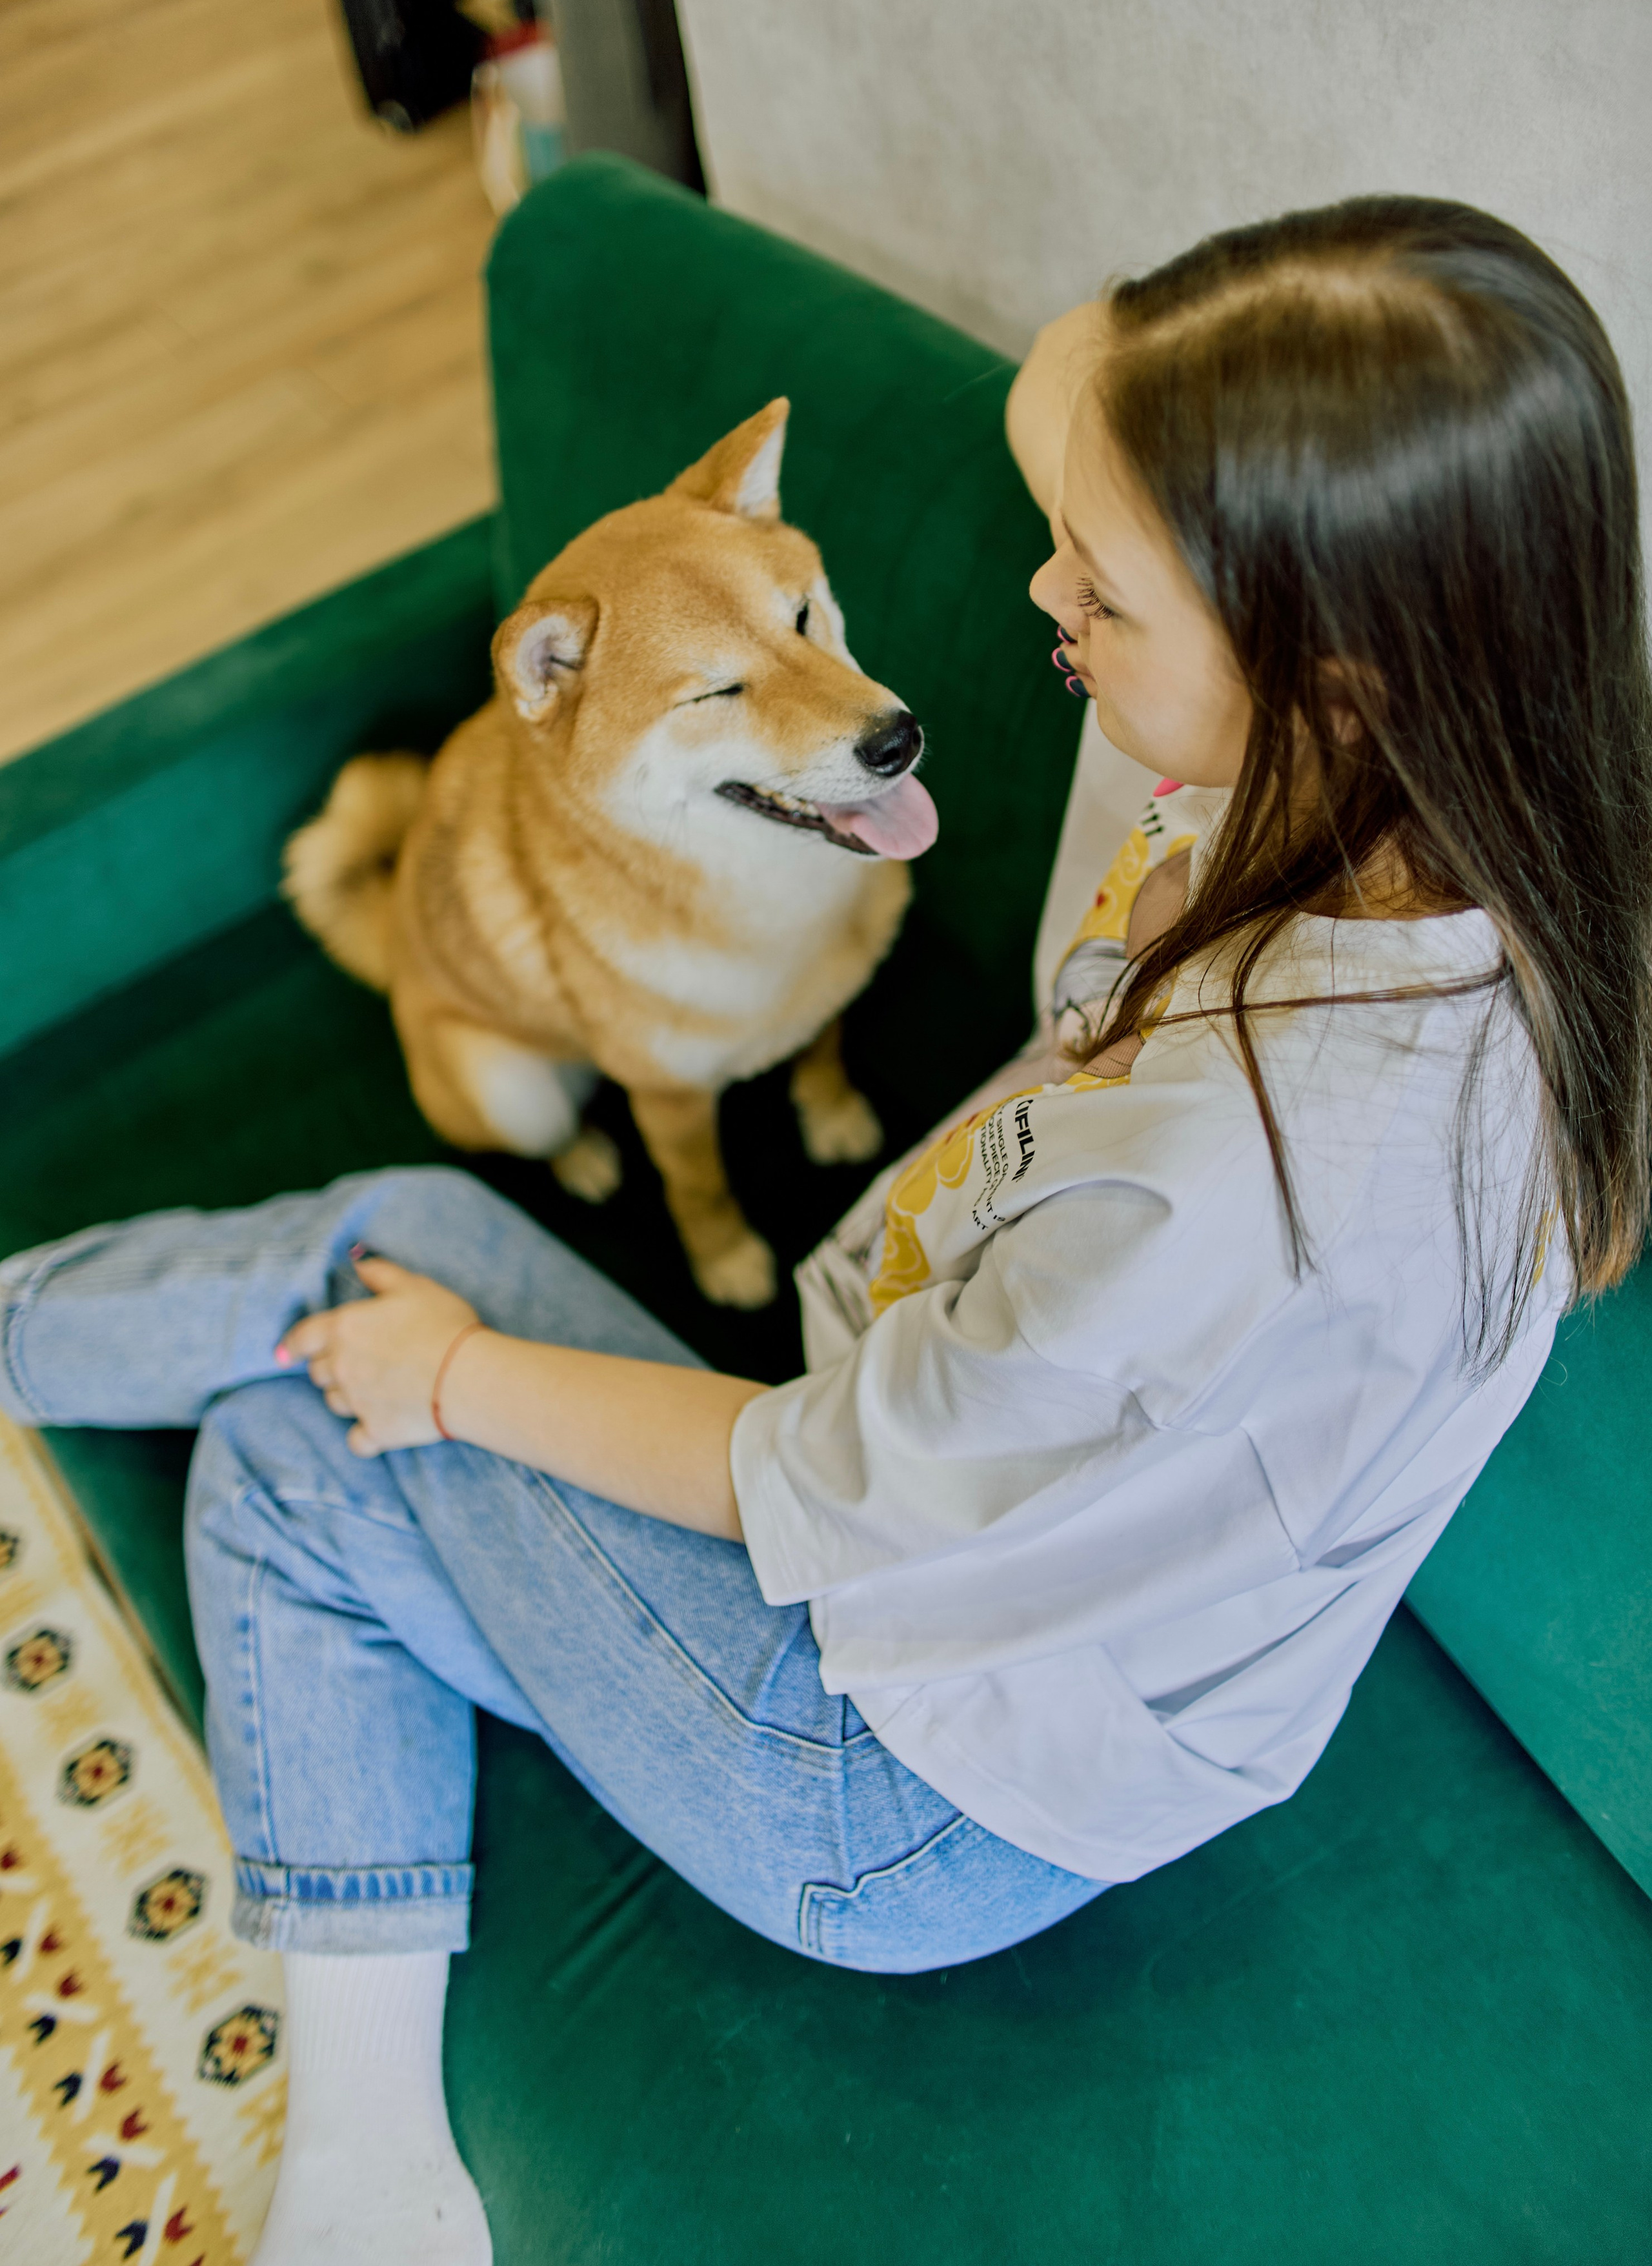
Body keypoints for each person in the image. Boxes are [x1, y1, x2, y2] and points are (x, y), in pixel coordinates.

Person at [3, 195, 1648, 2266]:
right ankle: (372, 2177)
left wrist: (461, 1376)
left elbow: (824, 1484)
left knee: (319, 1404)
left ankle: (354, 2179)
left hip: (899, 1784)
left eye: (1101, 586)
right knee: (355, 1332)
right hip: (1034, 1593)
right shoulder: (1453, 843)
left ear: (1329, 654)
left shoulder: (1245, 1168)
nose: (1041, 596)